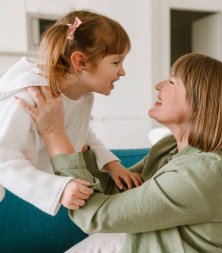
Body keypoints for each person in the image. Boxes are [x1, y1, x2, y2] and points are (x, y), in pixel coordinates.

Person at [18, 53, 222, 252]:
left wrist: (54, 133)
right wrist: (80, 143)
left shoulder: (202, 173)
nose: (158, 85)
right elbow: (118, 192)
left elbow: (95, 216)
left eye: (171, 82)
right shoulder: (170, 148)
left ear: (201, 102)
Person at [0, 10, 142, 216]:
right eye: (116, 62)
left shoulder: (83, 96)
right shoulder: (30, 98)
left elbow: (83, 132)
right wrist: (59, 189)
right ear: (81, 62)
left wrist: (113, 165)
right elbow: (2, 159)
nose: (122, 72)